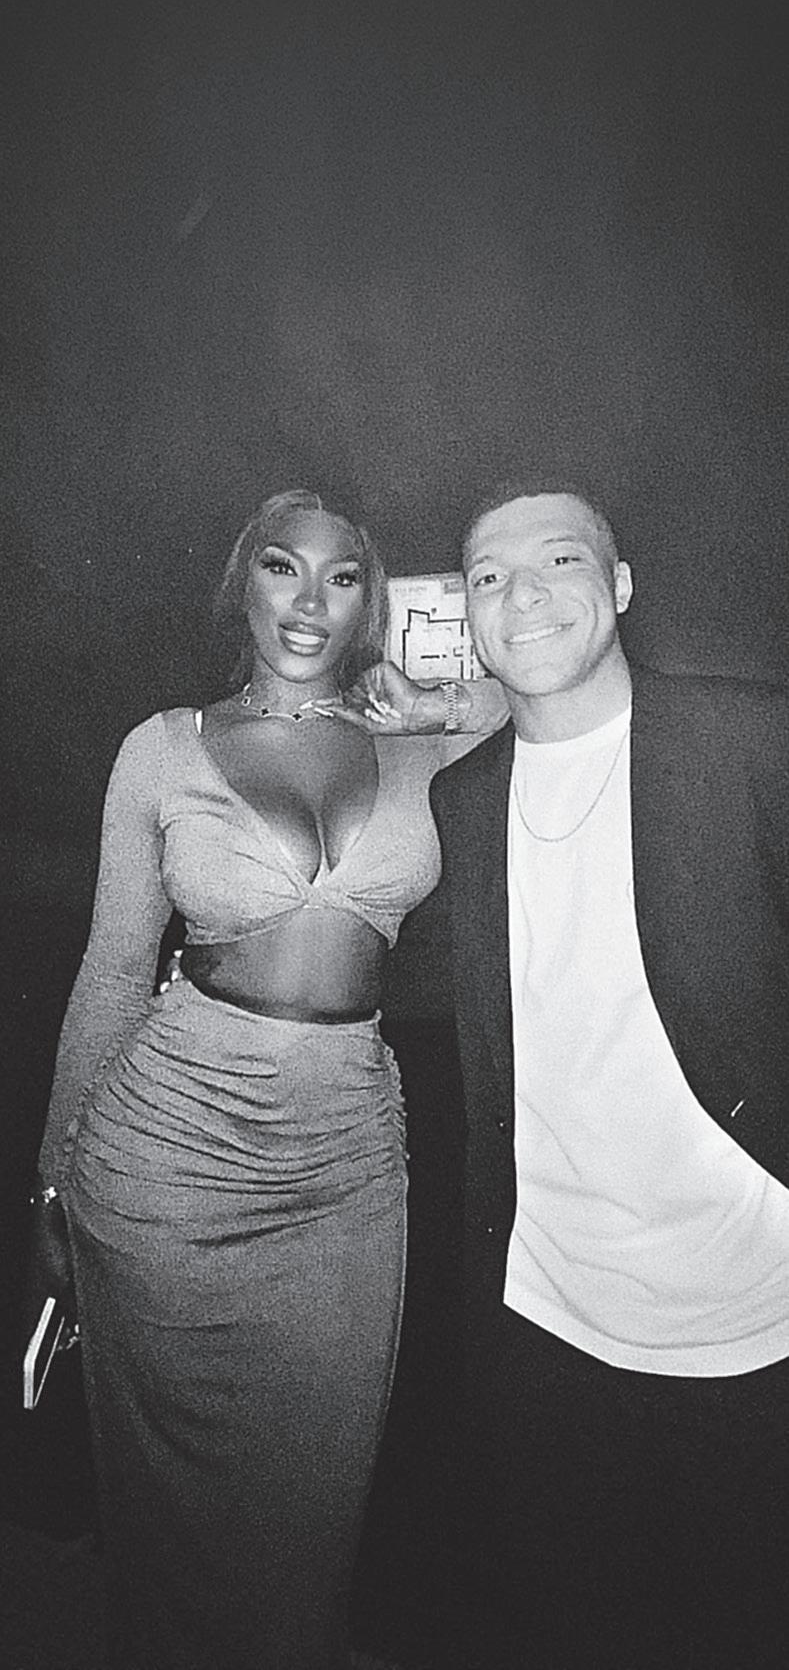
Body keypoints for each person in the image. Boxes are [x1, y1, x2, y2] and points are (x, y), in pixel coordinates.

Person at [28, 488, 505, 1670]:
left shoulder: (415, 737)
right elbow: (112, 966)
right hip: (166, 1158)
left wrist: (442, 698)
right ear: (241, 580)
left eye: (343, 577)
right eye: (284, 567)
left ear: (370, 599)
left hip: (344, 1168)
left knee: (312, 1515)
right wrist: (51, 1184)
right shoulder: (162, 746)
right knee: (164, 1516)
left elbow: (537, 701)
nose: (309, 602)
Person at [417, 481, 789, 1670]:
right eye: (487, 575)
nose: (521, 592)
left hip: (753, 1320)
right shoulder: (461, 795)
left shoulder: (752, 742)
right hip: (544, 1328)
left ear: (619, 586)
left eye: (559, 560)